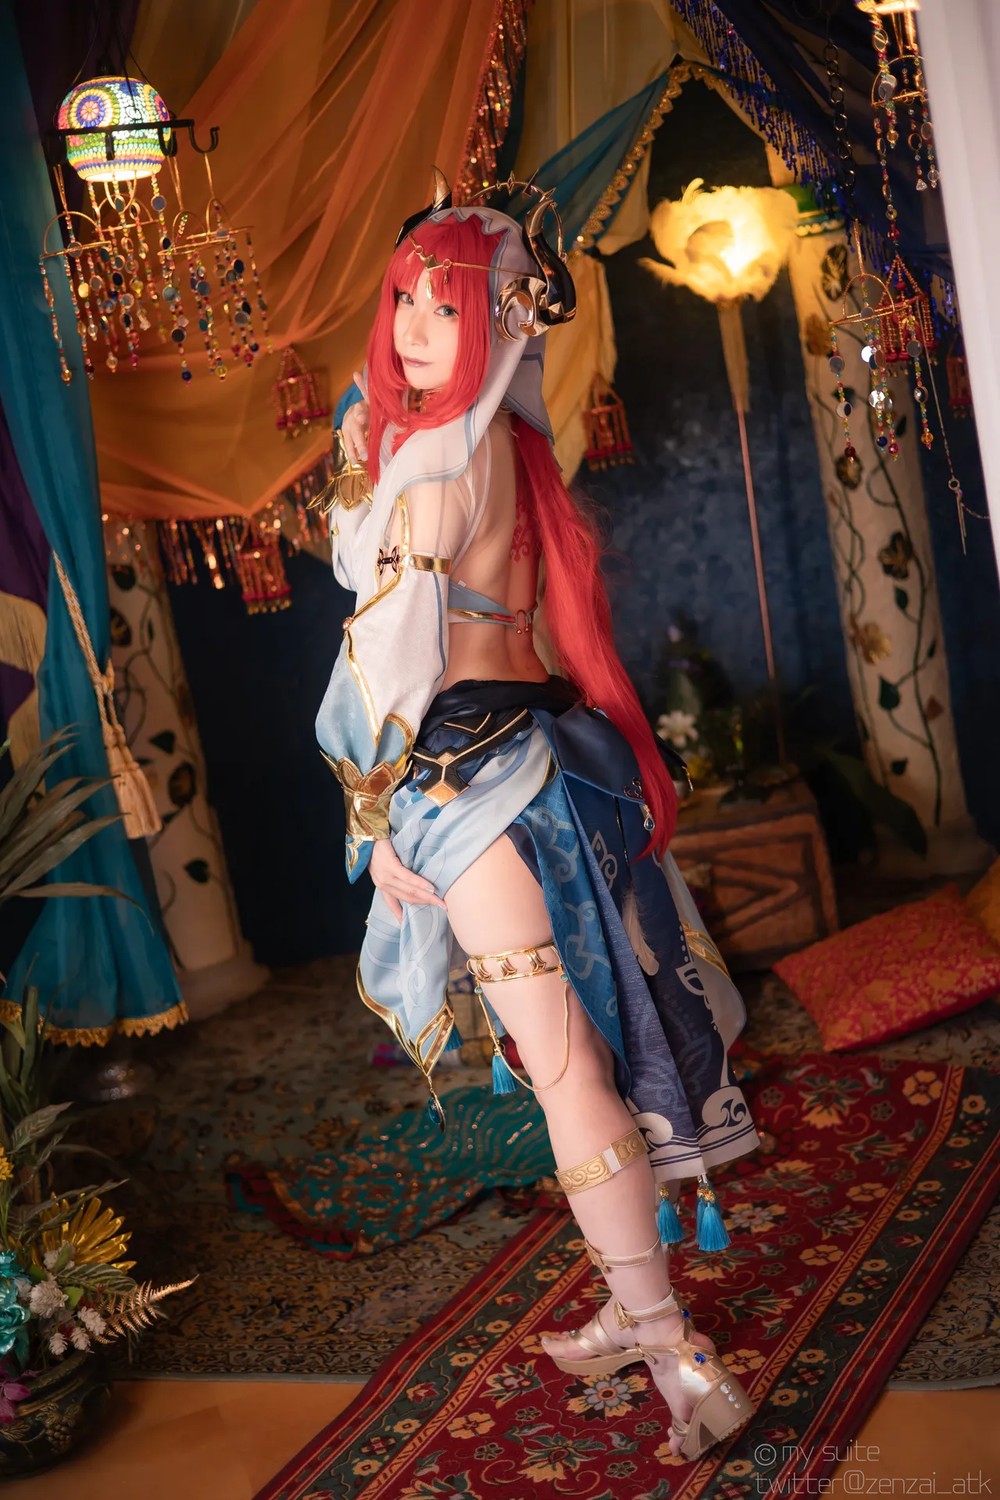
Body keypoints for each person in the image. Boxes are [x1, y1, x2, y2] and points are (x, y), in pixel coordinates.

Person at [316, 173, 760, 1461]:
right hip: (553, 762)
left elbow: (382, 667)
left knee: (567, 1074)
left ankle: (676, 1355)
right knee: (587, 1051)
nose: (411, 329)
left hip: (469, 790)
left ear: (497, 325)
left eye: (444, 309)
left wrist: (375, 821)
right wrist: (363, 460)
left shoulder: (437, 474)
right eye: (404, 300)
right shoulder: (509, 449)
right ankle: (638, 1311)